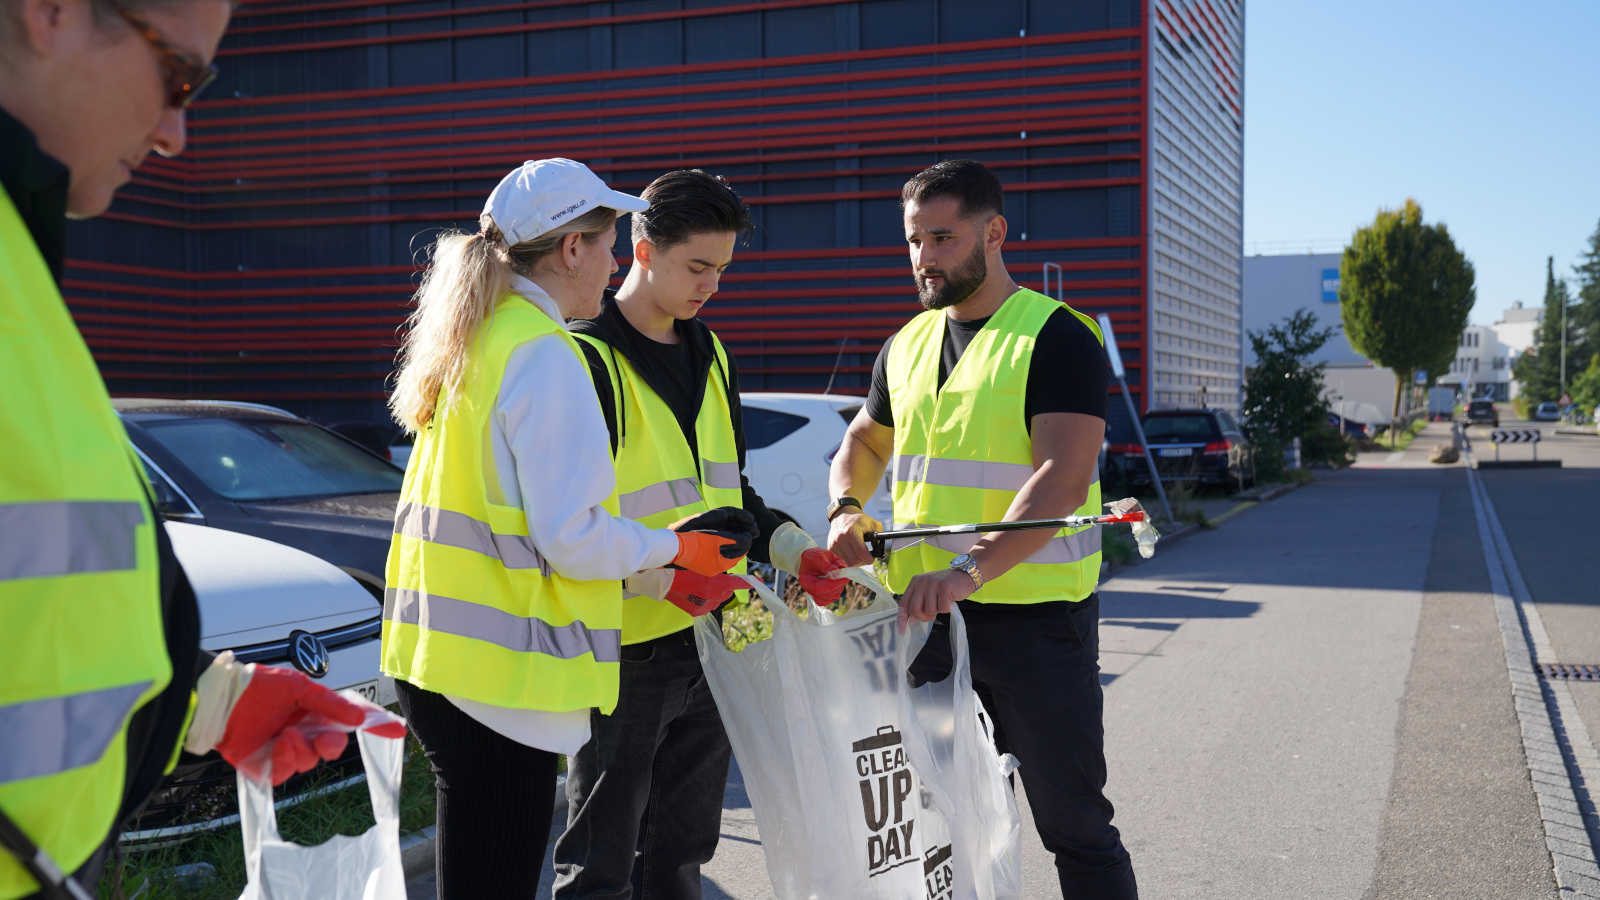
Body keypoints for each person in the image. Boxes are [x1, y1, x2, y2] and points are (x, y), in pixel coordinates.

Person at [0, 3, 402, 898]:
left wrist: (204, 702)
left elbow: (38, 608)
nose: (178, 134)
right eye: (178, 75)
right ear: (52, 13)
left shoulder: (21, 256)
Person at [382, 158, 756, 900]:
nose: (616, 257)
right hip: (499, 674)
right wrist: (676, 548)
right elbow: (576, 537)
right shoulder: (545, 352)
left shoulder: (484, 336)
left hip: (444, 659)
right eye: (609, 240)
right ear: (571, 250)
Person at [826, 159, 1137, 899]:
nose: (925, 257)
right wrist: (845, 508)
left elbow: (1061, 477)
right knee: (933, 822)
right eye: (913, 240)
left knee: (1074, 826)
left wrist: (967, 571)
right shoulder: (904, 345)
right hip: (925, 625)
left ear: (994, 233)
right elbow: (866, 442)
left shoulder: (1057, 336)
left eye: (943, 236)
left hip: (1034, 627)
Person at [553, 169, 847, 900]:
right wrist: (664, 571)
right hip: (625, 643)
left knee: (684, 851)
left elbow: (731, 495)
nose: (711, 285)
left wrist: (793, 549)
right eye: (697, 267)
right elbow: (564, 527)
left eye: (721, 269)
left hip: (724, 628)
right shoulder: (584, 360)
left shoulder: (714, 355)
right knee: (600, 860)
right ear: (643, 247)